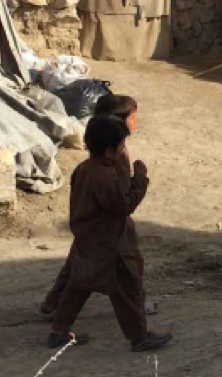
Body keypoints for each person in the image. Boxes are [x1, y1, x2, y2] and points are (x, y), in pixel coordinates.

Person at [46, 115, 171, 352]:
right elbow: (124, 207)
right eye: (122, 145)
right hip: (109, 245)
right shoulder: (105, 177)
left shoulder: (83, 169)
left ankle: (58, 332)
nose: (124, 149)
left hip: (87, 239)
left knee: (77, 287)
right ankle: (139, 337)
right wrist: (140, 181)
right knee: (126, 289)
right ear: (109, 151)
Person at [40, 93, 157, 317]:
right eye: (132, 117)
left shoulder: (89, 163)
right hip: (110, 222)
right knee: (129, 266)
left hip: (89, 223)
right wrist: (140, 180)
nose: (135, 121)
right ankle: (136, 308)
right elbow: (122, 200)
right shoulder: (114, 158)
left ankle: (53, 306)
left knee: (75, 266)